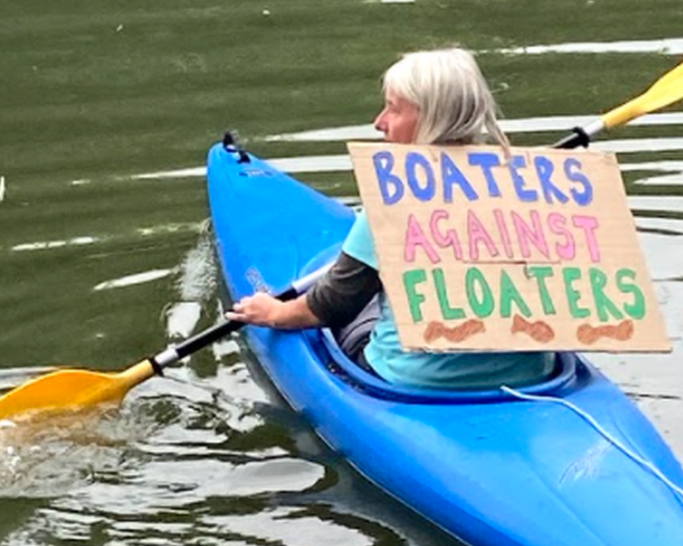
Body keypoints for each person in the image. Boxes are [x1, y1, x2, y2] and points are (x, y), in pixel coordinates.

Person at [226, 48, 554, 389]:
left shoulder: (392, 202)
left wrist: (274, 313)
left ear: (431, 119)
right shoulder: (534, 188)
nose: (379, 122)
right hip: (535, 375)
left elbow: (333, 305)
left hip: (412, 380)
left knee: (356, 307)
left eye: (393, 109)